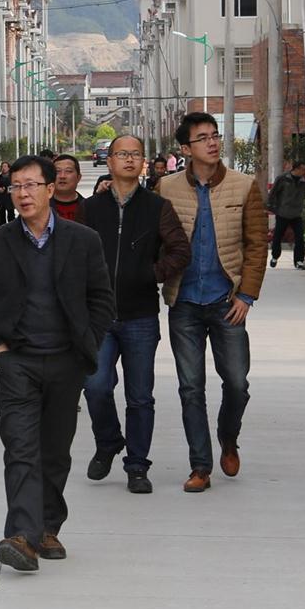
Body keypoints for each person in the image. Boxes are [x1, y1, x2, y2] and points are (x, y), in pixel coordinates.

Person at [0, 155, 114, 571]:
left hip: (66, 361)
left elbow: (101, 300)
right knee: (21, 447)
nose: (23, 194)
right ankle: (22, 536)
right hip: (17, 362)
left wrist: (87, 346)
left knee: (55, 450)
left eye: (31, 185)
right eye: (16, 186)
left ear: (51, 189)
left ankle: (48, 527)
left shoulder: (83, 240)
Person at [158, 112, 268, 493]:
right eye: (202, 137)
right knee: (191, 387)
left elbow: (257, 244)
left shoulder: (243, 185)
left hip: (227, 301)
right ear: (186, 148)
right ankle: (200, 466)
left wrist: (247, 294)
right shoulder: (166, 188)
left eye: (215, 135)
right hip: (184, 302)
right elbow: (154, 239)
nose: (212, 142)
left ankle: (228, 436)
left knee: (237, 383)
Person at [81, 135, 189, 494]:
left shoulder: (157, 207)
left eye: (135, 154)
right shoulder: (91, 209)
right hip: (98, 317)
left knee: (140, 396)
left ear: (143, 162)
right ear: (109, 161)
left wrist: (150, 273)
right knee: (95, 386)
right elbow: (72, 254)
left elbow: (180, 250)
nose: (129, 159)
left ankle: (138, 466)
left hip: (140, 315)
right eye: (121, 154)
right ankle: (109, 440)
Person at [267, 161, 305, 270]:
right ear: (296, 169)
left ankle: (299, 261)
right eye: (303, 169)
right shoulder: (283, 179)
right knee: (277, 236)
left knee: (299, 237)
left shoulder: (304, 181)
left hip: (296, 214)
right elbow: (273, 194)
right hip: (283, 213)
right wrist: (272, 208)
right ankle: (275, 257)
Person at [50, 154, 85, 222]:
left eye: (68, 171)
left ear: (78, 177)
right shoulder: (41, 207)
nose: (62, 176)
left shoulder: (88, 207)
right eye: (57, 171)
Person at [0, 160, 14, 228]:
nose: (3, 168)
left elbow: (15, 186)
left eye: (5, 166)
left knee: (11, 217)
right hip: (1, 200)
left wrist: (9, 190)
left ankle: (11, 231)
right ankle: (2, 231)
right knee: (1, 218)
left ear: (9, 168)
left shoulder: (12, 177)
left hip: (9, 199)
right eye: (2, 167)